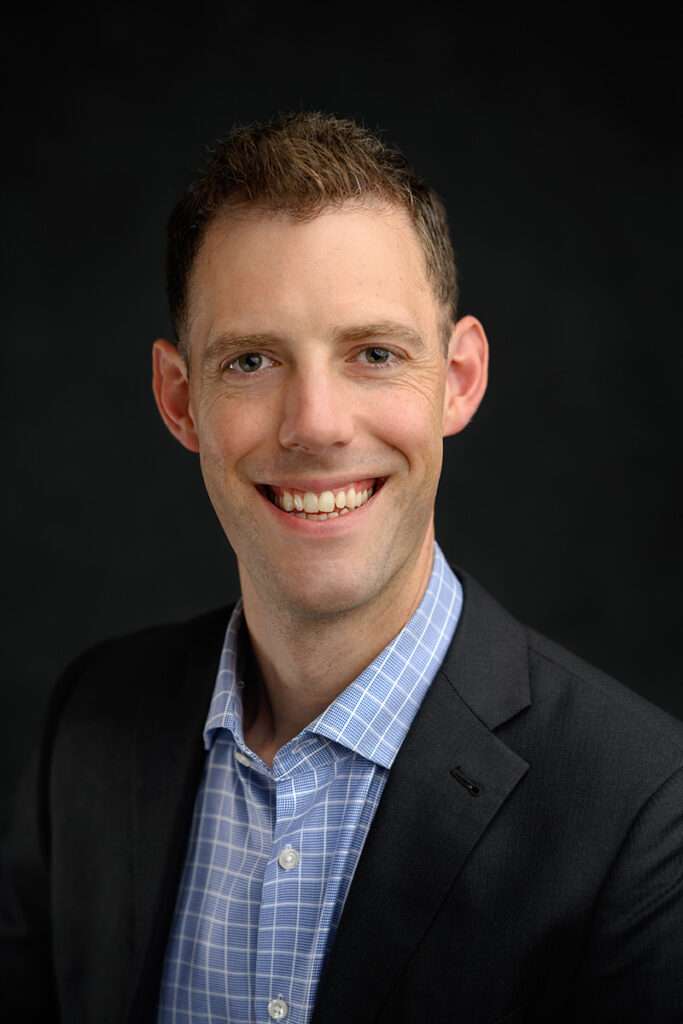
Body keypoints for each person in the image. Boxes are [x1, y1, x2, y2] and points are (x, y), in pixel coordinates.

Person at [2, 112, 682, 1024]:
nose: (315, 423)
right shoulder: (89, 727)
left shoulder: (642, 807)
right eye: (250, 360)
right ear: (179, 400)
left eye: (373, 354)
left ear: (458, 379)